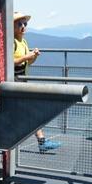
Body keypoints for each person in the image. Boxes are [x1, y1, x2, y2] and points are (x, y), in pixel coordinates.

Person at [13, 11, 60, 151]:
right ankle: (41, 141)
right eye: (19, 24)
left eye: (25, 24)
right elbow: (9, 62)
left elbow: (27, 63)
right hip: (14, 82)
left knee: (28, 112)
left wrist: (34, 56)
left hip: (21, 81)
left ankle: (41, 141)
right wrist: (27, 57)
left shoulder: (23, 42)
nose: (23, 26)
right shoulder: (12, 42)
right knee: (30, 112)